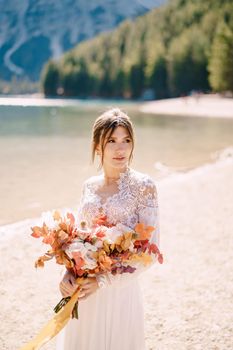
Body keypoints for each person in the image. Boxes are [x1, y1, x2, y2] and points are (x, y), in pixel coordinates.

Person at [56, 107, 161, 350]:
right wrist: (68, 273)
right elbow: (77, 240)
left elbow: (151, 252)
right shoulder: (89, 187)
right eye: (112, 141)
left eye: (126, 140)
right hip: (84, 291)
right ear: (98, 147)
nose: (120, 148)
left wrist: (104, 281)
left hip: (120, 292)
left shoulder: (144, 186)